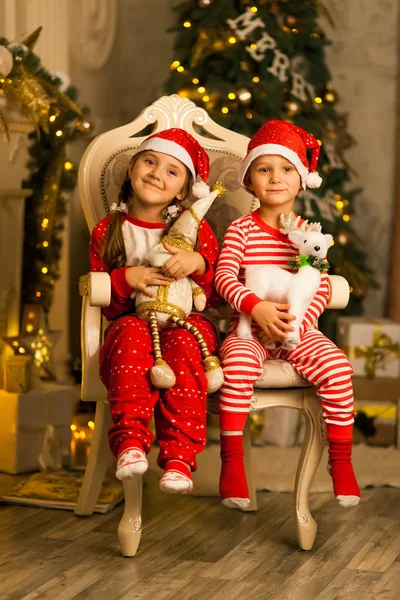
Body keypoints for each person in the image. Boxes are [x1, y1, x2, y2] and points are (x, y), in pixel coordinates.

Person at [214, 120, 360, 510]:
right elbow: (224, 277)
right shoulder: (241, 230)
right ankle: (232, 464)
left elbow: (318, 285)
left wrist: (296, 324)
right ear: (249, 180)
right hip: (249, 330)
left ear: (301, 180)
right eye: (264, 169)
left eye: (286, 169)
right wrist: (255, 307)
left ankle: (341, 461)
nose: (275, 178)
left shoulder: (310, 233)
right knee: (239, 367)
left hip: (300, 330)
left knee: (338, 367)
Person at [89, 128, 220, 494]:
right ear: (132, 169)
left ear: (183, 190)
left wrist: (197, 263)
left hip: (186, 322)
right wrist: (126, 277)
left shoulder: (196, 231)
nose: (156, 173)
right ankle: (131, 443)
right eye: (150, 161)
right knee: (130, 333)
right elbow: (107, 304)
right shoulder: (109, 229)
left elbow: (211, 295)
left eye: (171, 171)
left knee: (184, 345)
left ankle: (179, 458)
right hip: (131, 323)